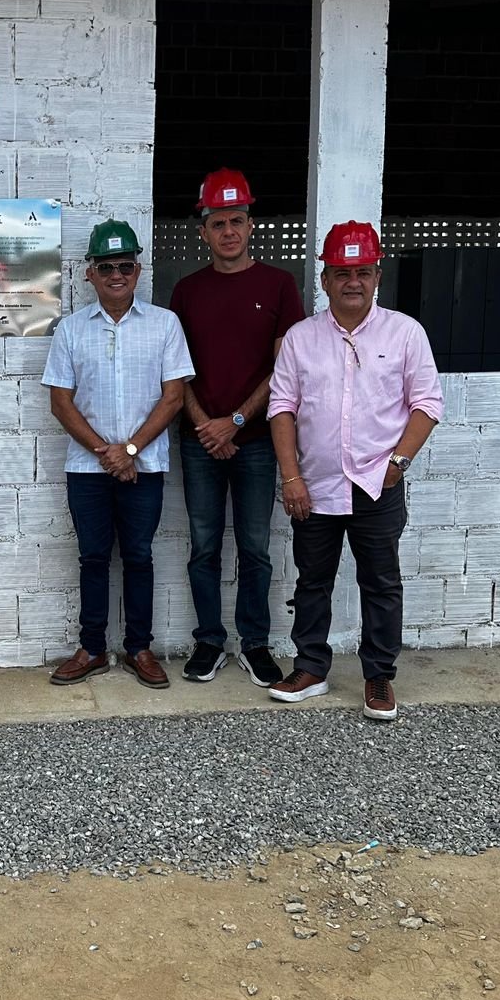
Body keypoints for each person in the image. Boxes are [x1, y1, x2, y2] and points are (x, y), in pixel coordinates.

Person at [267, 221, 443, 721]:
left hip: (377, 485)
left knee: (381, 583)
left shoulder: (405, 333)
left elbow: (427, 404)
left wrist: (397, 463)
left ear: (377, 276)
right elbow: (281, 408)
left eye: (362, 272)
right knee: (312, 582)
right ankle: (311, 668)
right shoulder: (301, 339)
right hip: (315, 486)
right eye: (342, 273)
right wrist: (291, 477)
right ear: (324, 279)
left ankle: (378, 676)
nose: (353, 282)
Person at [42, 220, 194, 689]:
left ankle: (138, 648)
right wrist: (106, 453)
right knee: (92, 557)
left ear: (138, 271)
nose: (116, 275)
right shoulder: (71, 330)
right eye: (106, 267)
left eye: (125, 266)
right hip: (87, 469)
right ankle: (91, 649)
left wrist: (129, 451)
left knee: (139, 557)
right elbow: (60, 401)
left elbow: (173, 397)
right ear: (89, 273)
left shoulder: (165, 324)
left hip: (143, 467)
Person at [169, 168, 304, 689]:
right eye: (218, 222)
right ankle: (209, 641)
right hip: (200, 441)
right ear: (203, 230)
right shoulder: (187, 291)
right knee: (203, 547)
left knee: (255, 550)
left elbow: (284, 368)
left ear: (251, 225)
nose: (229, 231)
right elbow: (176, 369)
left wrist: (237, 422)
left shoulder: (279, 285)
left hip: (256, 442)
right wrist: (207, 426)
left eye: (237, 220)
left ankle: (255, 644)